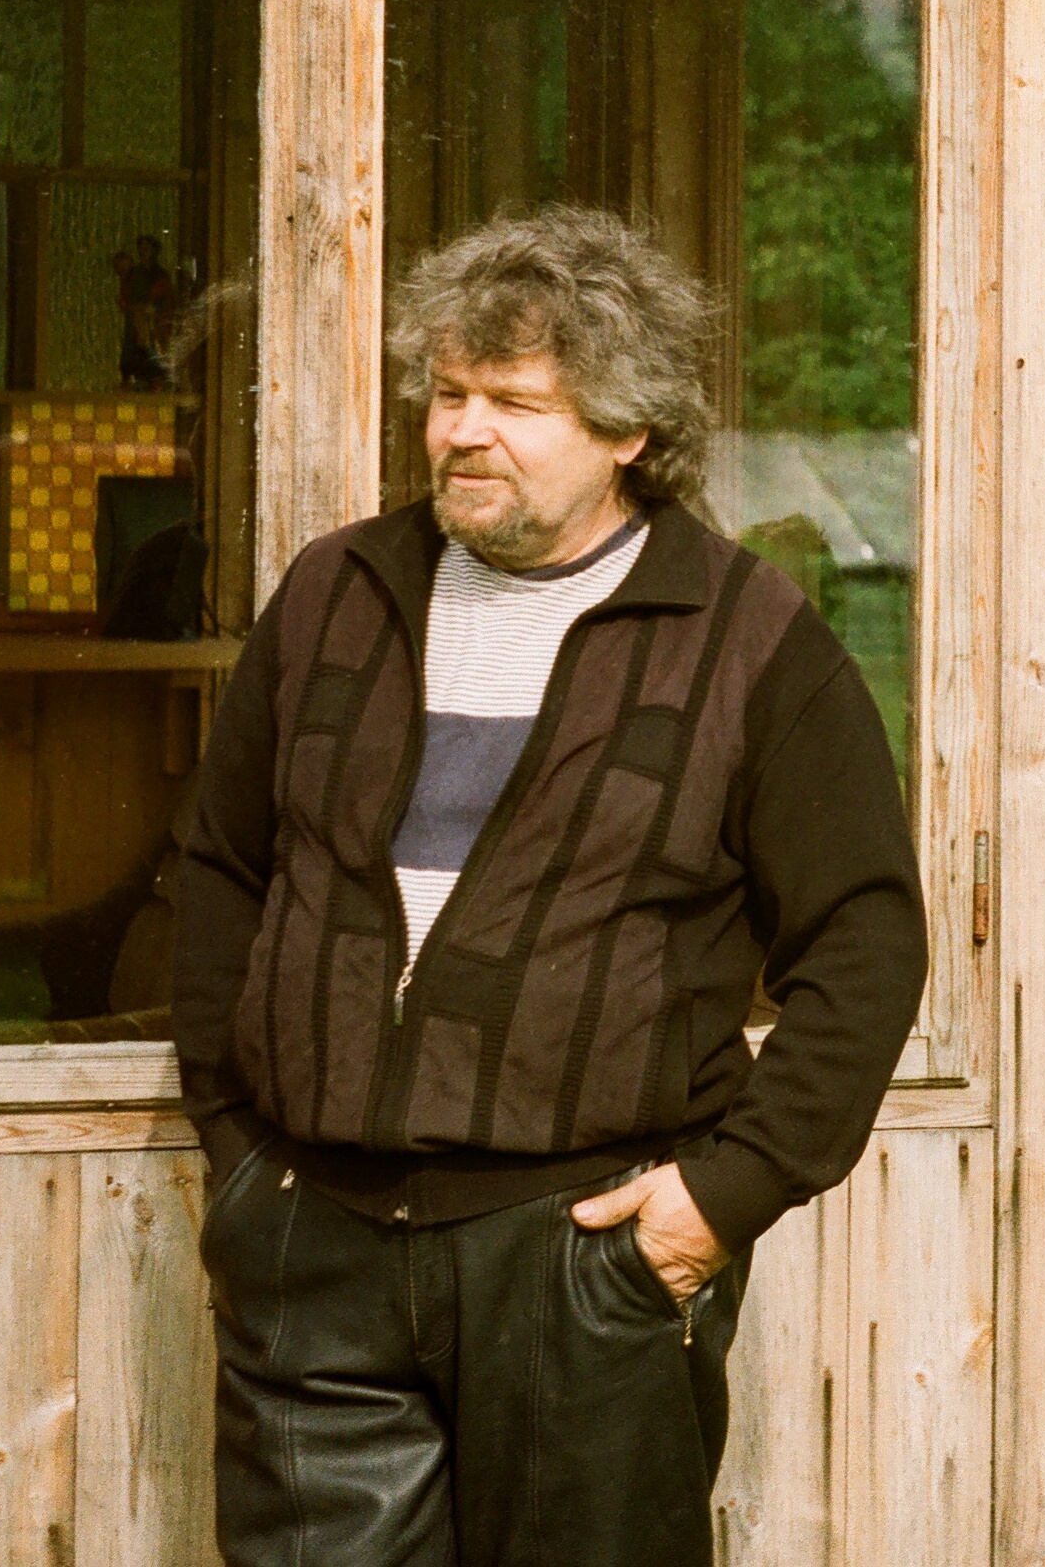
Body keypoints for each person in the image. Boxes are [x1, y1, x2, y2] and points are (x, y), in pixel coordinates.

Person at [170, 205, 924, 1567]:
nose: (463, 431)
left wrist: (722, 1198)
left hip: (581, 1247)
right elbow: (223, 868)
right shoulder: (337, 593)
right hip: (312, 1240)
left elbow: (863, 944)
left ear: (627, 431)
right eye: (449, 394)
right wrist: (238, 1141)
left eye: (515, 403)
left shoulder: (748, 639)